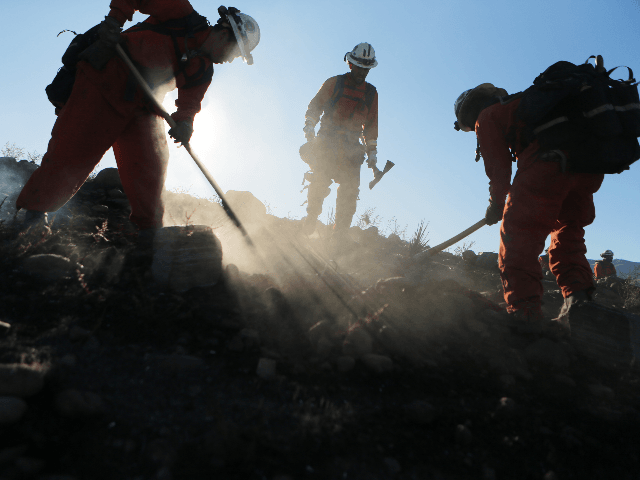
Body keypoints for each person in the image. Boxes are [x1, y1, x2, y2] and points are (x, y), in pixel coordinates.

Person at [16, 3, 259, 237]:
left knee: (150, 169)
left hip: (143, 107)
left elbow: (189, 103)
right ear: (223, 33)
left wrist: (185, 123)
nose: (232, 59)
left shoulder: (202, 69)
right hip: (104, 82)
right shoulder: (181, 15)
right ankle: (33, 220)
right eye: (235, 52)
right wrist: (114, 21)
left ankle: (148, 238)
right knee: (72, 152)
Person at [454, 83, 605, 332]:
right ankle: (581, 309)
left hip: (546, 164)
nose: (474, 130)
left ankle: (524, 317)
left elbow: (499, 173)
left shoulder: (488, 116)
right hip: (586, 166)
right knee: (568, 234)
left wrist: (496, 206)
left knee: (517, 237)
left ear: (468, 114)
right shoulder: (524, 104)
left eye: (470, 128)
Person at [300, 43, 379, 244]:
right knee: (320, 180)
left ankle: (339, 236)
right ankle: (311, 219)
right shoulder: (334, 83)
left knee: (350, 192)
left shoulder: (371, 93)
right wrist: (310, 124)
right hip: (328, 139)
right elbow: (315, 105)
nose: (363, 72)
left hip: (352, 148)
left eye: (366, 68)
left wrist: (372, 152)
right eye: (360, 67)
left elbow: (371, 125)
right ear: (351, 65)